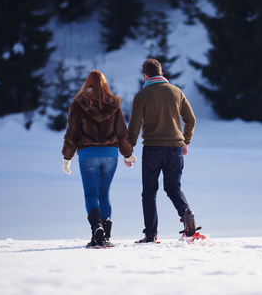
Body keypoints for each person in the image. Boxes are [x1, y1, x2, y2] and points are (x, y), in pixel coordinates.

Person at [62, 69, 137, 247]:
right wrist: (128, 153)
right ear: (104, 84)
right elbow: (122, 132)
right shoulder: (114, 103)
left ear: (87, 83)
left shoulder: (79, 103)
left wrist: (67, 157)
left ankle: (97, 228)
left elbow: (72, 133)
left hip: (88, 154)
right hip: (110, 155)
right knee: (104, 194)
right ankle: (107, 234)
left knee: (91, 194)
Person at [127, 58, 198, 243]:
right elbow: (191, 120)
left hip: (152, 149)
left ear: (145, 75)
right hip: (175, 148)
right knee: (174, 188)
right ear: (161, 73)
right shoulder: (176, 92)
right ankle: (187, 214)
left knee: (149, 192)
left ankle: (151, 234)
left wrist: (128, 151)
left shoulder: (142, 95)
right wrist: (186, 141)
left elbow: (133, 128)